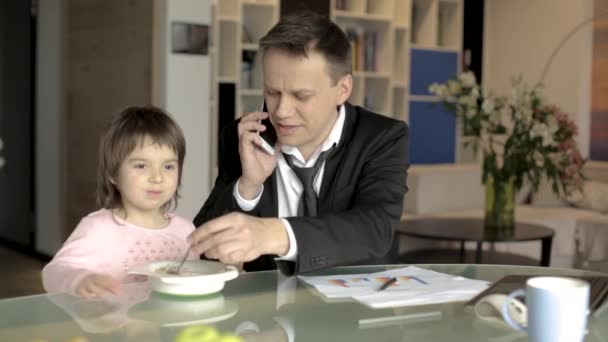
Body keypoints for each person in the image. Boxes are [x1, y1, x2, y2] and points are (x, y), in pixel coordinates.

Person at [192, 11, 409, 274]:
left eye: (301, 96)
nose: (282, 111)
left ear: (343, 89)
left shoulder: (381, 138)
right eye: (272, 93)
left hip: (354, 307)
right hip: (266, 308)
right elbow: (201, 252)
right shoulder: (243, 137)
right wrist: (248, 187)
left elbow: (374, 229)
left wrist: (271, 234)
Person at [42, 106, 196, 298]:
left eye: (168, 166)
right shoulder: (98, 228)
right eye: (141, 165)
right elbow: (54, 272)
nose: (157, 177)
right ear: (112, 174)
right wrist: (81, 279)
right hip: (115, 326)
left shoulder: (186, 231)